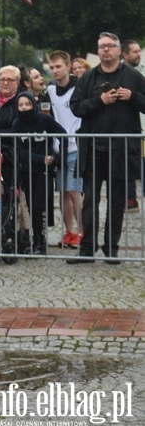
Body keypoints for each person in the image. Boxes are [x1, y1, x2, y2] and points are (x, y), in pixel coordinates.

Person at [68, 32, 145, 265]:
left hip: (122, 148)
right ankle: (87, 249)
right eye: (102, 46)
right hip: (94, 149)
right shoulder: (88, 77)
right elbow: (76, 107)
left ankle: (111, 249)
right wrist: (99, 101)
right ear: (98, 50)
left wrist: (133, 97)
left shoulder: (133, 76)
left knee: (117, 201)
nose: (106, 50)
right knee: (90, 200)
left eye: (111, 46)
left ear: (119, 51)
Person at [10, 91, 66, 256]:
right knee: (31, 203)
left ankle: (40, 241)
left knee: (39, 204)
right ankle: (35, 239)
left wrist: (56, 157)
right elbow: (18, 149)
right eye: (21, 105)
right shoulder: (17, 124)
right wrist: (40, 158)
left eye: (27, 104)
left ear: (33, 105)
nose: (24, 107)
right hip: (27, 168)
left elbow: (63, 135)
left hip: (44, 170)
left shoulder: (45, 119)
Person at [46, 51, 83, 248]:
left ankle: (83, 232)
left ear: (68, 66)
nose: (55, 71)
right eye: (51, 67)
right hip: (58, 148)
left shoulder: (80, 87)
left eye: (58, 66)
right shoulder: (50, 91)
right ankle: (69, 231)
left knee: (74, 190)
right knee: (62, 193)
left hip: (76, 146)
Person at [121, 39, 145, 211]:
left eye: (139, 51)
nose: (139, 54)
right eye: (135, 51)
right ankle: (130, 198)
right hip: (127, 128)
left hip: (144, 129)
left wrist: (133, 96)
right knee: (127, 164)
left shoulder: (142, 72)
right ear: (125, 54)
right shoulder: (120, 74)